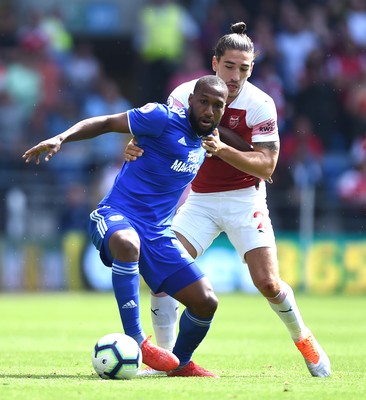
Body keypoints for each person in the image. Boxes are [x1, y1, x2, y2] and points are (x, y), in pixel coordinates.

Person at [125, 22, 331, 378]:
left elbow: (267, 165)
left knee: (268, 283)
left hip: (244, 200)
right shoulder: (184, 94)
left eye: (244, 68)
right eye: (230, 66)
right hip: (199, 201)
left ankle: (305, 340)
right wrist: (136, 147)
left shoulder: (261, 104)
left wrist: (222, 149)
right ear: (214, 62)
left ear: (252, 69)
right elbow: (160, 134)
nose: (236, 75)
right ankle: (170, 363)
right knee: (162, 276)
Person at [22, 75, 228, 378]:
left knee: (206, 301)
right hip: (117, 215)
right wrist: (61, 138)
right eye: (203, 102)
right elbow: (106, 122)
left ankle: (180, 364)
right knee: (129, 244)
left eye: (217, 105)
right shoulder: (161, 117)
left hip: (158, 235)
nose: (209, 110)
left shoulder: (209, 141)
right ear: (191, 101)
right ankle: (136, 340)